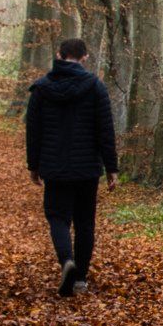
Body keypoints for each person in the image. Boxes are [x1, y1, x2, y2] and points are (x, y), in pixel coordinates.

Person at [25, 37, 119, 297]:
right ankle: (80, 279)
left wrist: (33, 165)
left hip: (54, 166)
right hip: (87, 166)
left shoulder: (42, 89)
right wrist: (111, 167)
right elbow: (105, 130)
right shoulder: (95, 86)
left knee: (57, 217)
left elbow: (33, 131)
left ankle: (66, 260)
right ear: (85, 57)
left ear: (59, 54)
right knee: (85, 222)